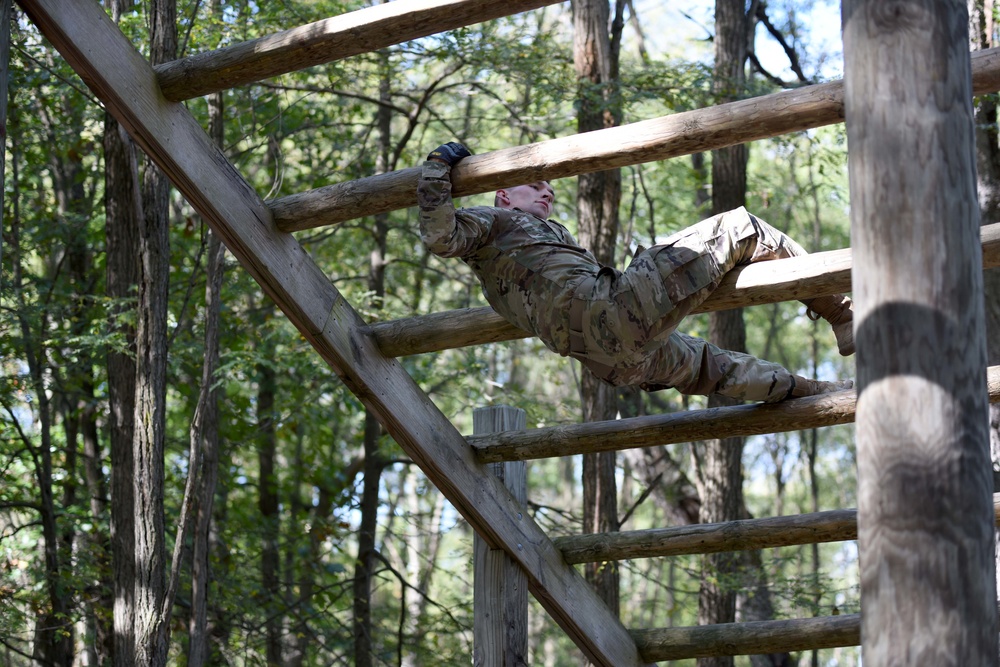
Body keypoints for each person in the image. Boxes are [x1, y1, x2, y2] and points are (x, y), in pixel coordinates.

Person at [417, 142, 854, 403]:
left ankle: (814, 393)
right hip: (612, 313)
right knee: (740, 226)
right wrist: (438, 167)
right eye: (533, 185)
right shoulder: (492, 222)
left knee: (715, 367)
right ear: (503, 196)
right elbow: (441, 236)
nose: (547, 190)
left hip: (613, 362)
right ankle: (841, 313)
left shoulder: (512, 260)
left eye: (549, 186)